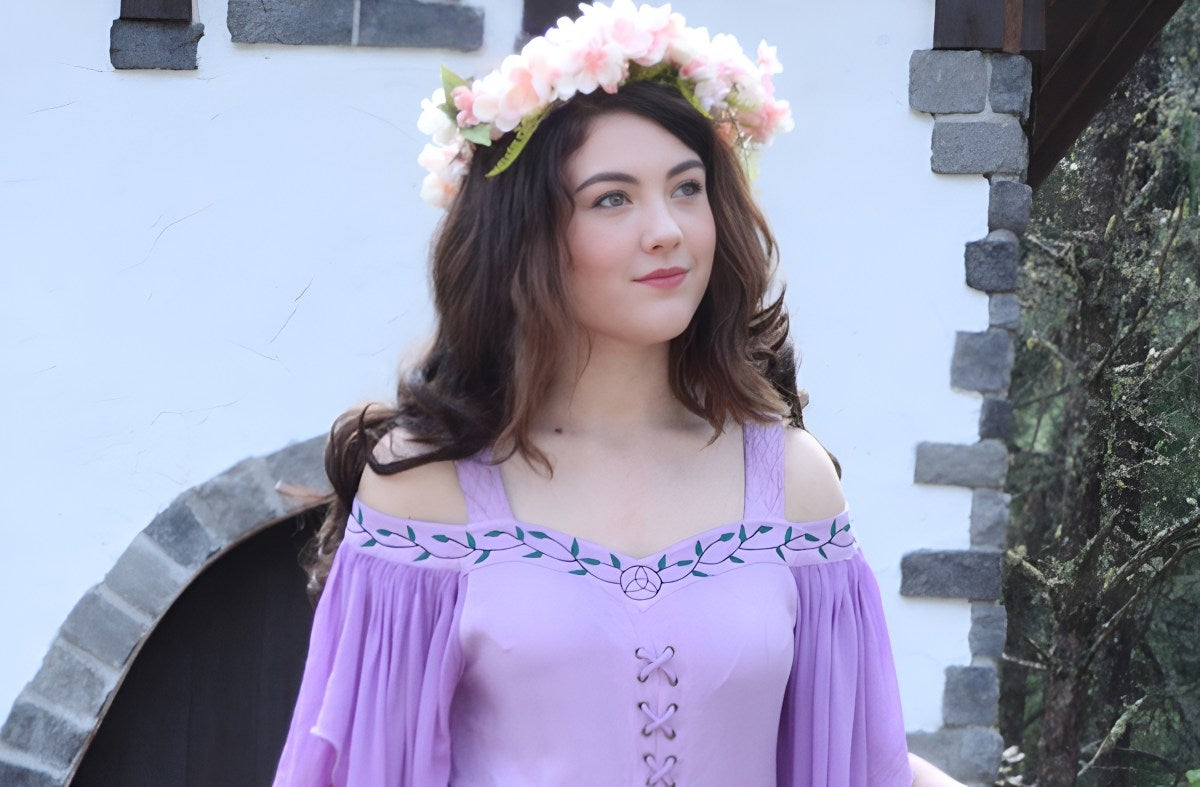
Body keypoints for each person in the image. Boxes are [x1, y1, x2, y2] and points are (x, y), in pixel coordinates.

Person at [275, 2, 964, 785]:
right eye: (613, 198)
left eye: (687, 188)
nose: (666, 229)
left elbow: (853, 761)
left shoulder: (794, 482)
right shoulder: (429, 486)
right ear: (526, 233)